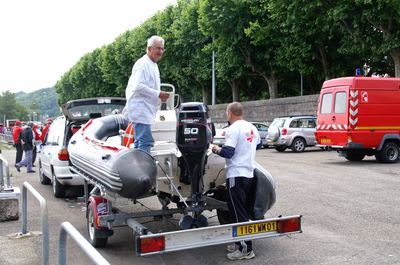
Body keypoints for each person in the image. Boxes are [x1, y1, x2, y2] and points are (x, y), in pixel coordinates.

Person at [211, 102, 261, 261]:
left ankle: (246, 249)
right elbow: (257, 144)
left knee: (238, 212)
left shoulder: (233, 129)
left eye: (227, 112)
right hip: (249, 173)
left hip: (236, 175)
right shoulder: (251, 127)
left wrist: (215, 148)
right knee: (241, 210)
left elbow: (228, 152)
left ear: (230, 113)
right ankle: (238, 242)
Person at [125, 35, 170, 154]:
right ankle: (142, 168)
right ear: (149, 49)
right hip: (141, 109)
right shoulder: (144, 64)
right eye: (157, 48)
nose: (160, 51)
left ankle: (136, 167)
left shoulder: (152, 64)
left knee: (140, 141)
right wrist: (159, 93)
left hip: (145, 109)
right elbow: (138, 86)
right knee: (145, 141)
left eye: (162, 48)